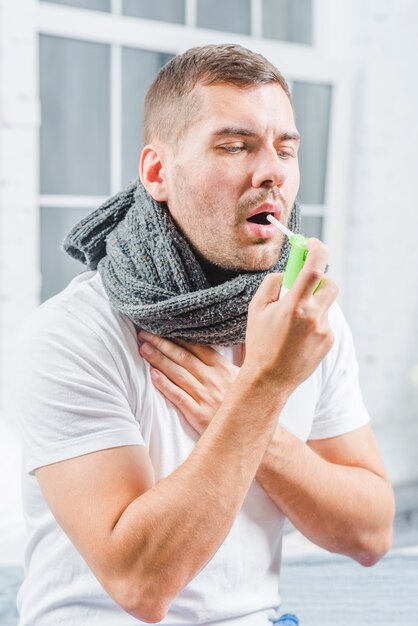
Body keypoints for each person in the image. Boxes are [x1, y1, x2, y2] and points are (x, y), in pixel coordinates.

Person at [13, 44, 395, 626]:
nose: (272, 171)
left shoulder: (307, 321)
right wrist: (262, 391)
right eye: (235, 145)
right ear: (158, 173)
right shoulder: (71, 334)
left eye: (285, 149)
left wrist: (245, 415)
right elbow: (141, 585)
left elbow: (371, 532)